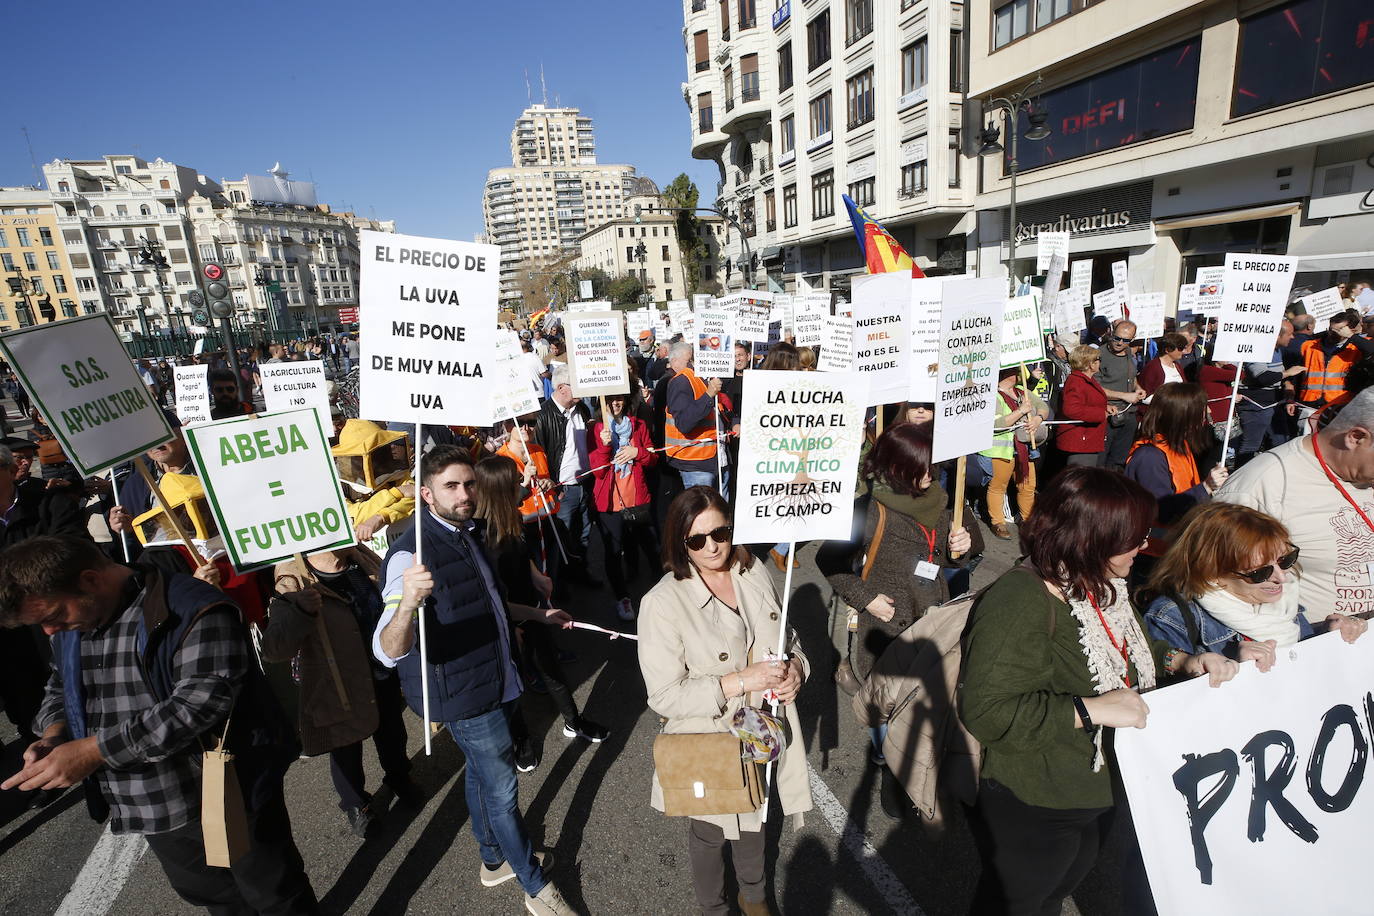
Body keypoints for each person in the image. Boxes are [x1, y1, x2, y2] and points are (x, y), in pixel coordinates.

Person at [959, 468, 1237, 916]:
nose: (1144, 546)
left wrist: (1182, 661)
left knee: (1058, 887)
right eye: (1135, 537)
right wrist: (1091, 710)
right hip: (1039, 793)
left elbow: (1133, 648)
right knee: (1018, 902)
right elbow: (987, 710)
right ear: (1093, 539)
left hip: (1100, 784)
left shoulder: (1099, 581)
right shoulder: (1021, 600)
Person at [0, 535, 317, 914]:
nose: (51, 632)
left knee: (275, 894)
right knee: (216, 899)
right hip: (151, 802)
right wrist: (56, 734)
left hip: (224, 789)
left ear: (89, 579)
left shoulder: (191, 606)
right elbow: (59, 685)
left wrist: (93, 750)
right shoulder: (73, 622)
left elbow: (200, 702)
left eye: (52, 617)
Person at [372, 445, 572, 914]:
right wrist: (407, 604)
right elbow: (385, 649)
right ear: (425, 494)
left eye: (468, 484)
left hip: (495, 677)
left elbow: (490, 603)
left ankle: (491, 859)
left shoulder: (470, 531)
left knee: (483, 775)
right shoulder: (408, 557)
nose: (464, 494)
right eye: (451, 487)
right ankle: (535, 886)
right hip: (463, 694)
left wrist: (538, 616)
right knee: (502, 790)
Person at [637, 486, 812, 916]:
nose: (713, 546)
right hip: (709, 735)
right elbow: (663, 696)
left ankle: (753, 897)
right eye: (697, 540)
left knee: (756, 815)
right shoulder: (661, 602)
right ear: (680, 543)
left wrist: (797, 671)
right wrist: (737, 681)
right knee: (711, 829)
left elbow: (787, 640)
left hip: (761, 726)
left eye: (722, 533)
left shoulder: (751, 570)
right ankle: (713, 908)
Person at [825, 424, 980, 773]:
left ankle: (912, 752)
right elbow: (829, 561)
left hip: (931, 615)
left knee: (922, 693)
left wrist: (962, 548)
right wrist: (867, 600)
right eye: (920, 466)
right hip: (886, 622)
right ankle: (885, 754)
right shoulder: (867, 510)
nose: (930, 473)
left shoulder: (942, 502)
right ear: (897, 466)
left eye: (932, 465)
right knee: (884, 700)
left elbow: (960, 551)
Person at [260, 546, 416, 838]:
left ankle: (399, 777)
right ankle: (356, 804)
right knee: (346, 747)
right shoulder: (292, 575)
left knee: (392, 732)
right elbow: (275, 648)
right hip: (337, 683)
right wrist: (300, 610)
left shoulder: (358, 557)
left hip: (380, 671)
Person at [472, 455, 608, 770]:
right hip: (505, 619)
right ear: (498, 490)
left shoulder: (511, 515)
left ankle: (574, 720)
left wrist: (536, 574)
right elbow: (491, 592)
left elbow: (521, 555)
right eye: (514, 481)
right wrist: (512, 624)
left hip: (530, 608)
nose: (521, 485)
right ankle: (520, 739)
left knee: (550, 668)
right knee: (513, 682)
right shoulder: (481, 537)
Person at [1215, 386, 1374, 619]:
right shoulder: (1261, 484)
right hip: (1312, 644)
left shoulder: (1364, 474)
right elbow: (1215, 582)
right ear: (1356, 437)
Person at [1142, 502, 1367, 663]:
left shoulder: (1281, 600)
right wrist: (1235, 668)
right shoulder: (1172, 618)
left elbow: (1297, 662)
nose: (1282, 577)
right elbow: (1170, 703)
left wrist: (1329, 635)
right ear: (1212, 573)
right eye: (1260, 572)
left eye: (1285, 560)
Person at [1124, 383, 1228, 563]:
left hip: (1176, 546)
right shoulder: (1150, 457)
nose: (1206, 415)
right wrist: (1205, 487)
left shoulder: (1178, 445)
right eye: (1200, 411)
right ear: (1182, 417)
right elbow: (1162, 510)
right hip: (1153, 555)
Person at [589, 391, 659, 620]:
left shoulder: (637, 425)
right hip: (609, 502)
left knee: (649, 543)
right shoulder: (597, 429)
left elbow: (653, 459)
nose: (615, 403)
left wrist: (637, 451)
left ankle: (664, 586)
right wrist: (605, 446)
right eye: (609, 399)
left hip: (636, 496)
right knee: (613, 551)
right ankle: (623, 599)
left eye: (619, 398)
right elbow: (598, 472)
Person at [533, 366, 598, 585]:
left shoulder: (581, 410)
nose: (583, 390)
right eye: (577, 385)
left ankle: (582, 576)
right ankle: (559, 585)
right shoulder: (542, 416)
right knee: (561, 539)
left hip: (584, 484)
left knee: (583, 535)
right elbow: (539, 455)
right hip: (561, 490)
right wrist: (554, 489)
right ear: (561, 388)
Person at [978, 368, 1048, 540]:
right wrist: (1021, 411)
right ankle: (998, 522)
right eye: (1016, 370)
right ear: (1006, 374)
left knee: (1027, 486)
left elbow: (1043, 407)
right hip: (1000, 450)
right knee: (998, 487)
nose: (1020, 373)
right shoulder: (991, 394)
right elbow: (997, 424)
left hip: (1024, 449)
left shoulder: (1022, 391)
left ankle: (1028, 521)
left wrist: (1038, 418)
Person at [1235, 319, 1305, 466]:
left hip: (1273, 404)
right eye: (1290, 334)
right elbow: (1262, 377)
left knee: (1280, 443)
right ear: (1277, 336)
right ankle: (1238, 480)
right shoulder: (1258, 350)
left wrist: (1286, 384)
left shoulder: (1277, 350)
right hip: (1256, 407)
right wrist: (1287, 374)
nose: (1292, 338)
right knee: (1250, 446)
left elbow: (1276, 375)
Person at [663, 341, 723, 491]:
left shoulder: (707, 377)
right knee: (702, 512)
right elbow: (684, 423)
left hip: (716, 458)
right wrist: (708, 395)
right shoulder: (682, 381)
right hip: (696, 462)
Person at [1297, 309, 1374, 411]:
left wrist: (1352, 337)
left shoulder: (1356, 347)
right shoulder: (1310, 345)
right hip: (1309, 403)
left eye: (1339, 331)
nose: (1332, 334)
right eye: (1331, 329)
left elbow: (1371, 350)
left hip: (1339, 404)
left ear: (1351, 330)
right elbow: (1297, 374)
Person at [1094, 319, 1145, 469]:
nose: (1120, 343)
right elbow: (1095, 389)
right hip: (1109, 415)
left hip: (1128, 414)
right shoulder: (1099, 355)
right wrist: (1124, 395)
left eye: (1126, 340)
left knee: (1119, 460)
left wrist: (1138, 388)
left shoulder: (1129, 352)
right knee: (1100, 461)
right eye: (1117, 338)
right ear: (1111, 333)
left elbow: (1131, 376)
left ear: (1132, 340)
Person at [1057, 345, 1110, 467]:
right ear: (1090, 364)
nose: (1099, 362)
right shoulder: (1076, 381)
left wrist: (1106, 407)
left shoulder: (1087, 379)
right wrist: (1100, 414)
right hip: (1081, 441)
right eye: (1098, 359)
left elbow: (1088, 402)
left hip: (1088, 439)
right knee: (1081, 479)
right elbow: (1071, 409)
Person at [1137, 332, 1188, 400]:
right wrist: (1169, 401)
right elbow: (1144, 396)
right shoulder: (1153, 367)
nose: (1184, 351)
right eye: (1180, 348)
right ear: (1168, 350)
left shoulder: (1177, 366)